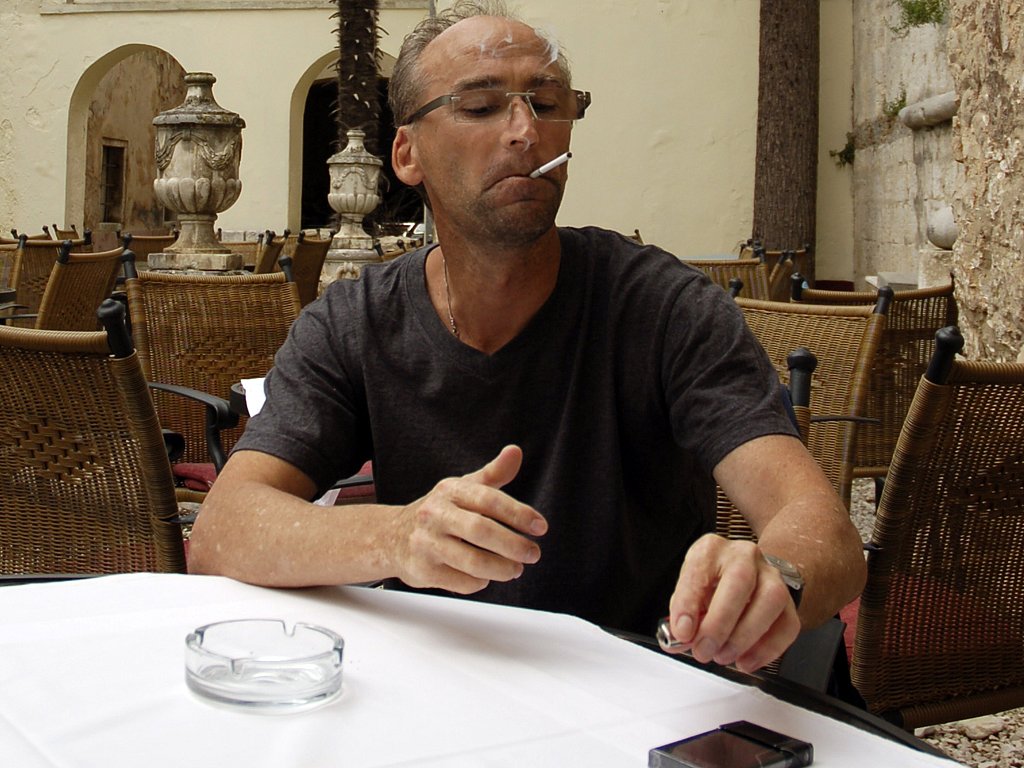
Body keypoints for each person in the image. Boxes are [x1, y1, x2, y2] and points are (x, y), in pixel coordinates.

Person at [189, 0, 866, 675]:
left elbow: (824, 531)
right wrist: (398, 535)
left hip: (639, 687)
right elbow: (223, 531)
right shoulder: (355, 323)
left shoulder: (664, 308)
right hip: (444, 687)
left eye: (547, 104)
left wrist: (776, 578)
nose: (525, 131)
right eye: (481, 107)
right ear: (407, 153)